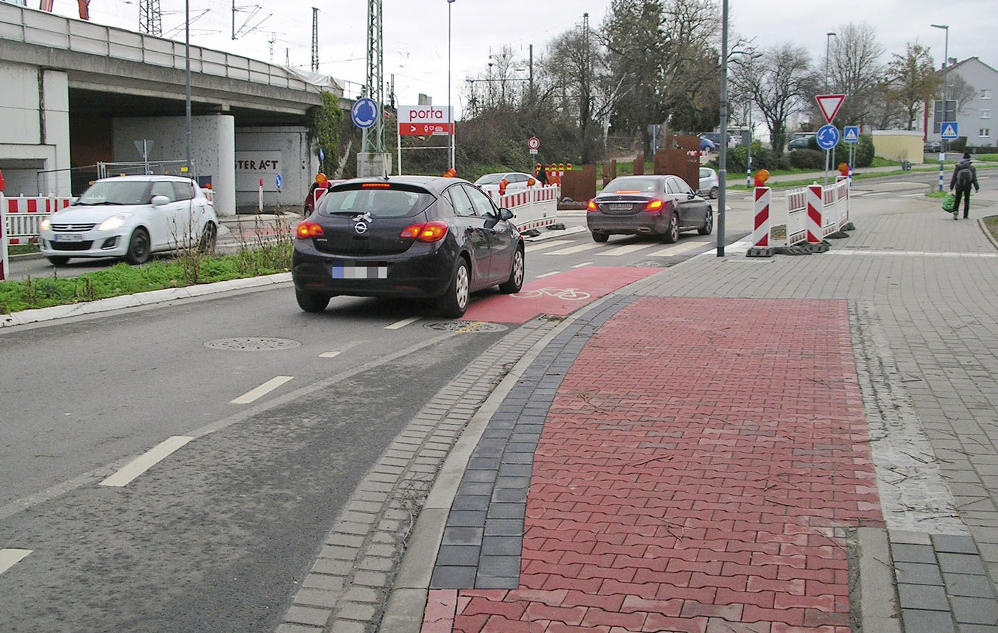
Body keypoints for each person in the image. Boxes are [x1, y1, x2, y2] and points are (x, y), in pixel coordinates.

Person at [949, 152, 980, 220]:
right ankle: (965, 215)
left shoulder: (958, 167)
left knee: (957, 199)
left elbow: (954, 177)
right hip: (967, 186)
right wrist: (977, 187)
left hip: (959, 186)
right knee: (967, 200)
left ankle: (955, 211)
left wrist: (951, 187)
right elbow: (974, 179)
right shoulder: (972, 168)